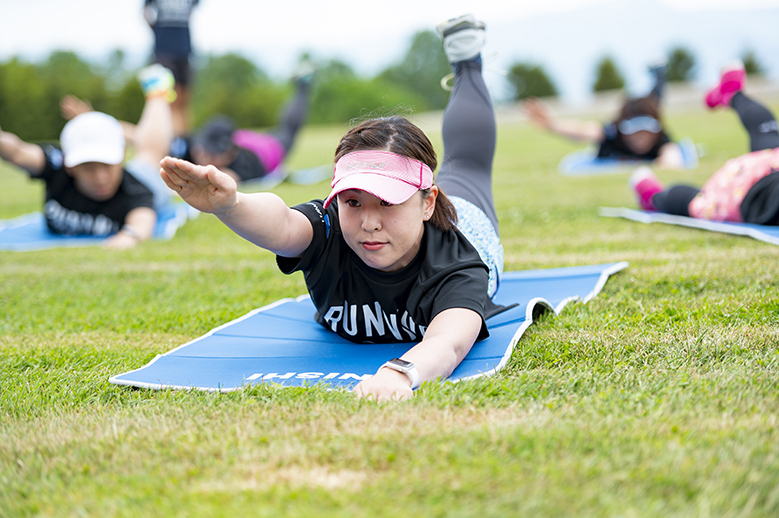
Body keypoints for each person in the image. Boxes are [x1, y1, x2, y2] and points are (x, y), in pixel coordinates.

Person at [159, 14, 507, 401]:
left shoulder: (459, 265)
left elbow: (449, 342)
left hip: (466, 224)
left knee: (467, 162)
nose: (369, 223)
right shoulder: (331, 227)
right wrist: (230, 205)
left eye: (388, 201)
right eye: (353, 201)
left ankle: (467, 62)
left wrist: (400, 376)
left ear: (427, 202)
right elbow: (283, 225)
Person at [0, 66, 177, 249]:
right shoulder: (56, 167)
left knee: (151, 154)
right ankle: (97, 124)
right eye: (88, 167)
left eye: (107, 165)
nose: (100, 177)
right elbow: (17, 152)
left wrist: (130, 237)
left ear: (121, 158)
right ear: (69, 165)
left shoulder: (137, 188)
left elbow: (141, 224)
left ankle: (157, 92)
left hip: (147, 177)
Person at [62, 65, 315, 185]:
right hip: (242, 136)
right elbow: (144, 137)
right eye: (205, 151)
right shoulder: (195, 146)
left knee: (288, 129)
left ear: (229, 152)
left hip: (268, 148)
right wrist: (95, 122)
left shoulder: (242, 165)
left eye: (215, 153)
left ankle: (303, 85)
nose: (207, 157)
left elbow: (222, 181)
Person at [631, 62, 779, 225]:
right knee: (698, 203)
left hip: (764, 174)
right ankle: (653, 197)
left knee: (767, 132)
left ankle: (732, 93)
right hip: (744, 192)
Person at [524, 64, 689, 169]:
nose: (640, 137)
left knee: (655, 102)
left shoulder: (661, 140)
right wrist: (551, 123)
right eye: (634, 130)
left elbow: (671, 159)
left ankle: (659, 76)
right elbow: (583, 131)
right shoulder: (612, 132)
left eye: (645, 130)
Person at [143, 0, 198, 137]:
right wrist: (158, 31)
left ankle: (185, 139)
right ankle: (171, 139)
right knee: (167, 99)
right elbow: (145, 12)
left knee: (185, 99)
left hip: (184, 50)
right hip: (164, 51)